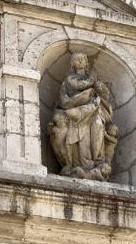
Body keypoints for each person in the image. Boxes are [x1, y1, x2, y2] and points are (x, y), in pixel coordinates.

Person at [48, 52, 117, 181]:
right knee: (80, 135)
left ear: (86, 63)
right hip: (75, 114)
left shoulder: (94, 81)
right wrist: (91, 81)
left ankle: (97, 161)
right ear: (72, 64)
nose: (80, 61)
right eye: (77, 59)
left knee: (97, 126)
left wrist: (98, 86)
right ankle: (78, 164)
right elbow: (66, 98)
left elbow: (105, 95)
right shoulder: (69, 80)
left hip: (94, 111)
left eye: (82, 59)